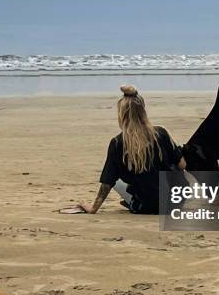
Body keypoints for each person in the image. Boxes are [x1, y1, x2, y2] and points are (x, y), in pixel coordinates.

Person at [79, 85, 186, 214]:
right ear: (143, 111)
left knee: (114, 178)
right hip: (175, 203)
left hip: (146, 206)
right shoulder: (161, 133)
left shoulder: (118, 143)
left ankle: (133, 200)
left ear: (122, 115)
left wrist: (93, 208)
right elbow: (182, 164)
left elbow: (107, 183)